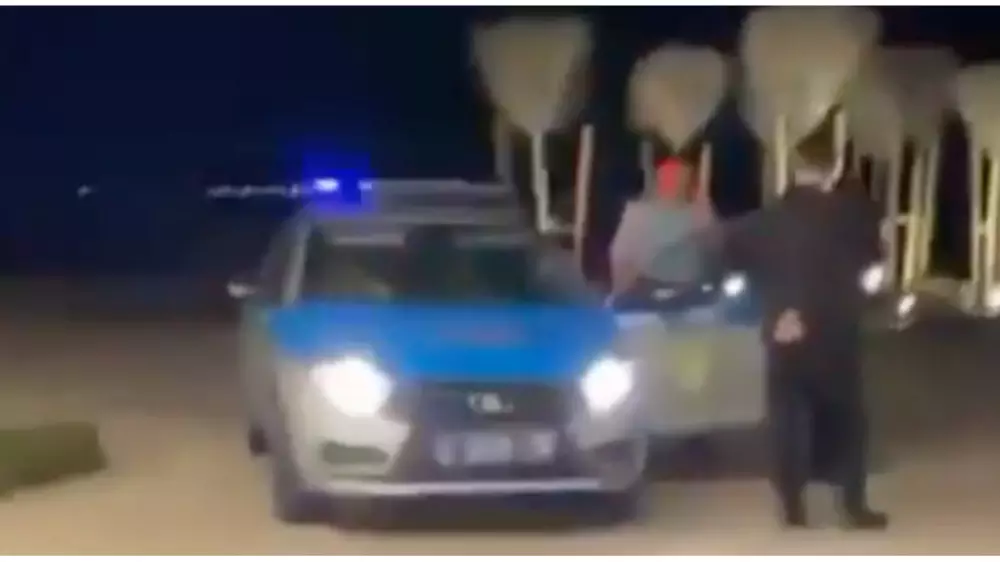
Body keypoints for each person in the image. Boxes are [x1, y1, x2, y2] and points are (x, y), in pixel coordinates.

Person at [714, 133, 889, 530]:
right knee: (848, 419)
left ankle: (792, 505)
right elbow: (874, 263)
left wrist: (774, 307)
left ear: (794, 169)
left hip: (782, 329)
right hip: (835, 331)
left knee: (787, 416)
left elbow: (730, 262)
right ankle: (853, 505)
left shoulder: (762, 221)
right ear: (834, 169)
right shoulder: (852, 218)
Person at [609, 155, 716, 296]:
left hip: (687, 291)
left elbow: (713, 252)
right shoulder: (638, 214)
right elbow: (621, 258)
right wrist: (622, 291)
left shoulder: (700, 215)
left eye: (676, 178)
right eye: (666, 177)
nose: (670, 182)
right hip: (646, 289)